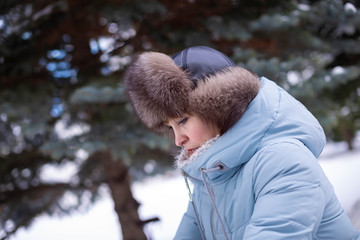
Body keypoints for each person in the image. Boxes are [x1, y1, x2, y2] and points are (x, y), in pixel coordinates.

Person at [124, 46, 360, 239]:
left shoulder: (283, 160)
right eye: (170, 127)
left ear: (218, 107)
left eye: (183, 120)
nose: (178, 140)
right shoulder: (211, 176)